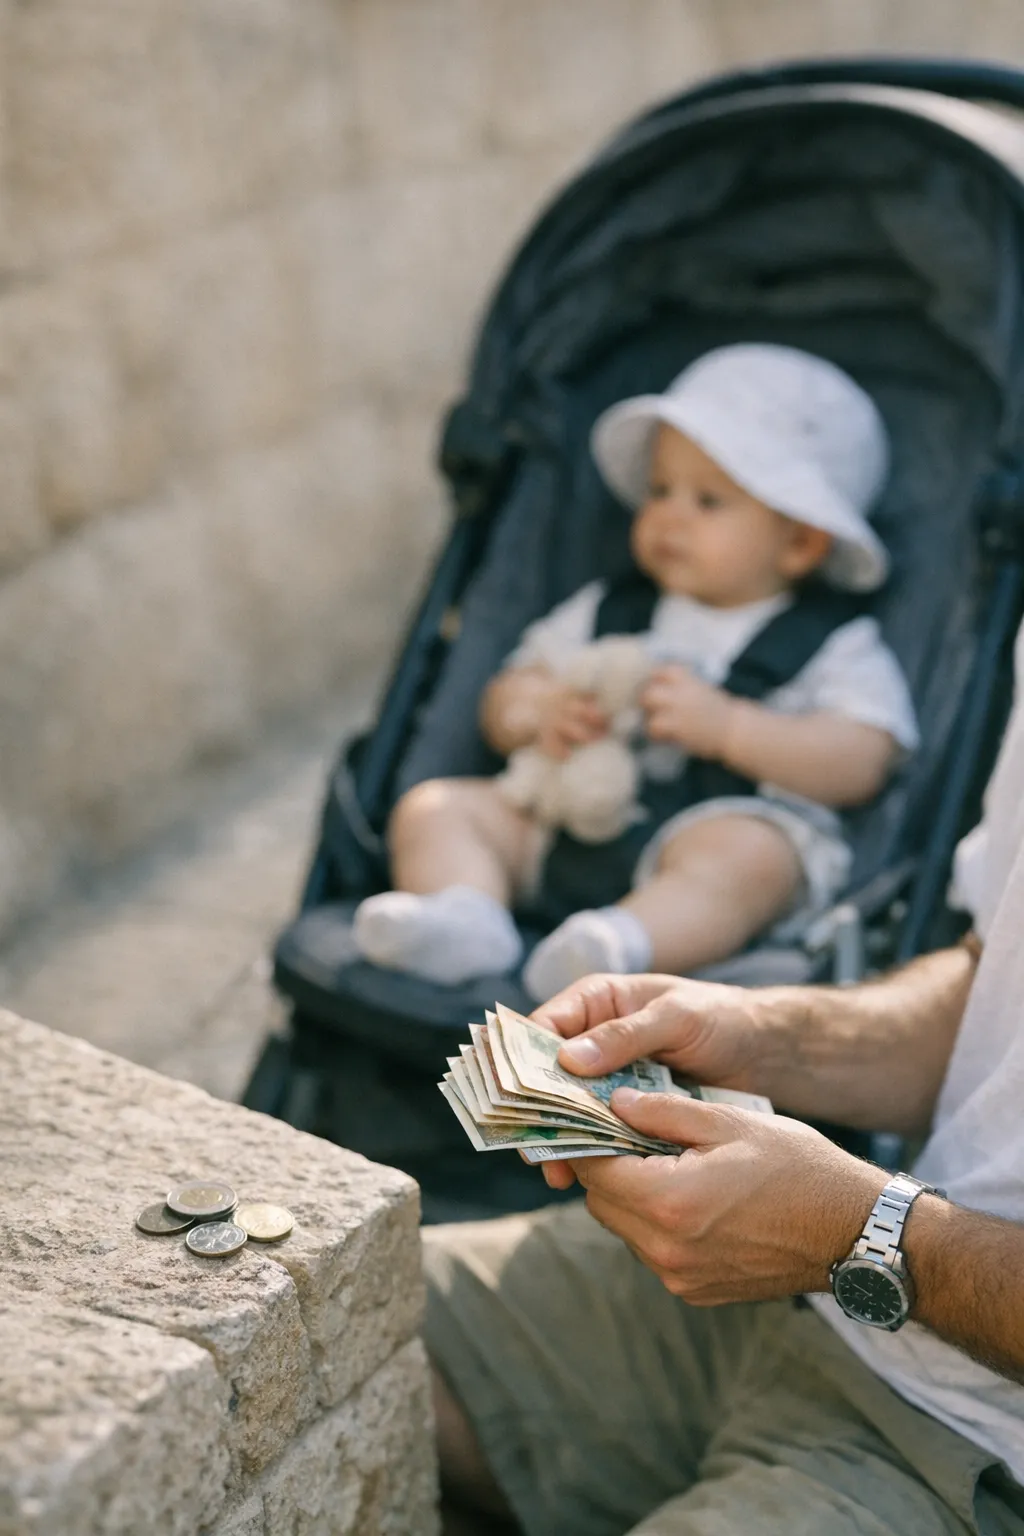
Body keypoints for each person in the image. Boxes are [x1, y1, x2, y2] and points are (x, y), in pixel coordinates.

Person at [423, 614, 1024, 1536]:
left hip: (981, 1446)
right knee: (310, 1311)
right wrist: (759, 1030)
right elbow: (989, 995)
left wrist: (865, 1235)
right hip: (823, 1311)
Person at [352, 345, 917, 1001]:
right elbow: (505, 695)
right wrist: (537, 711)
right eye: (659, 490)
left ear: (801, 542)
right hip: (562, 820)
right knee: (435, 807)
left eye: (708, 501)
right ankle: (468, 918)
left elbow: (865, 758)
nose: (670, 515)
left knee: (751, 857)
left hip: (707, 838)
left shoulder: (833, 642)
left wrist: (732, 728)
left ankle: (621, 947)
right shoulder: (609, 607)